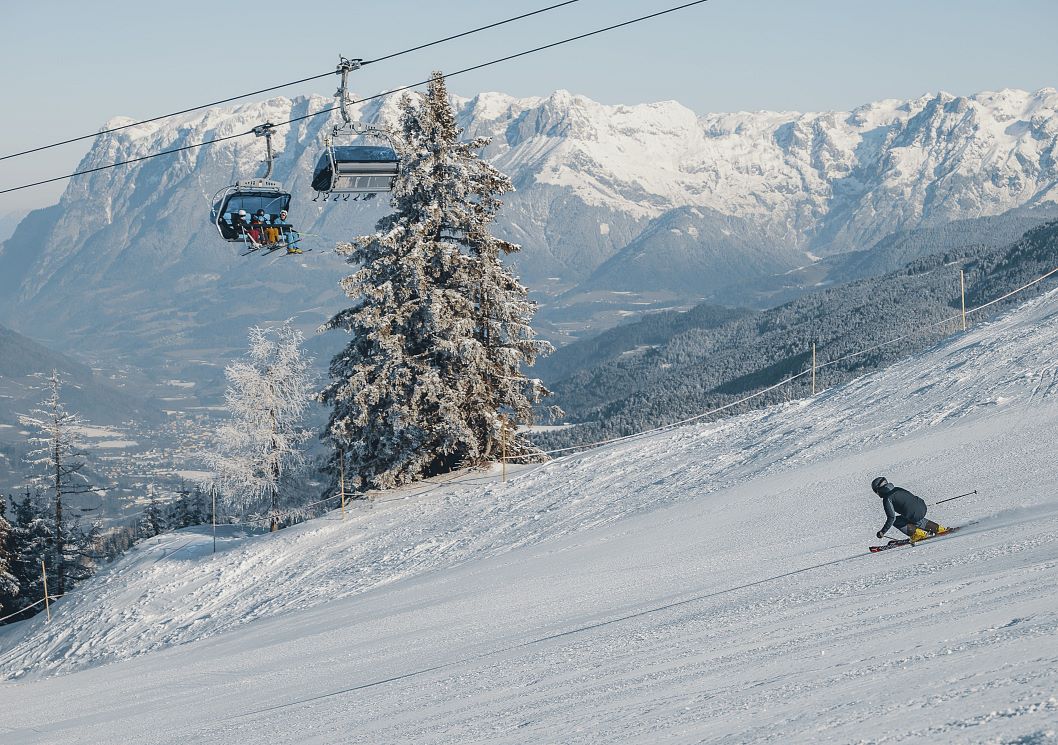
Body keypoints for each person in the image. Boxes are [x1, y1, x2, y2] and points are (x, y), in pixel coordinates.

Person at [872, 476, 948, 542]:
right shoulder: (897, 489)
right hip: (922, 507)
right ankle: (939, 529)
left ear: (879, 489)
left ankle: (918, 534)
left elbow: (891, 518)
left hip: (913, 513)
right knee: (912, 516)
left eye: (876, 491)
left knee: (897, 521)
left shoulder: (887, 498)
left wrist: (882, 532)